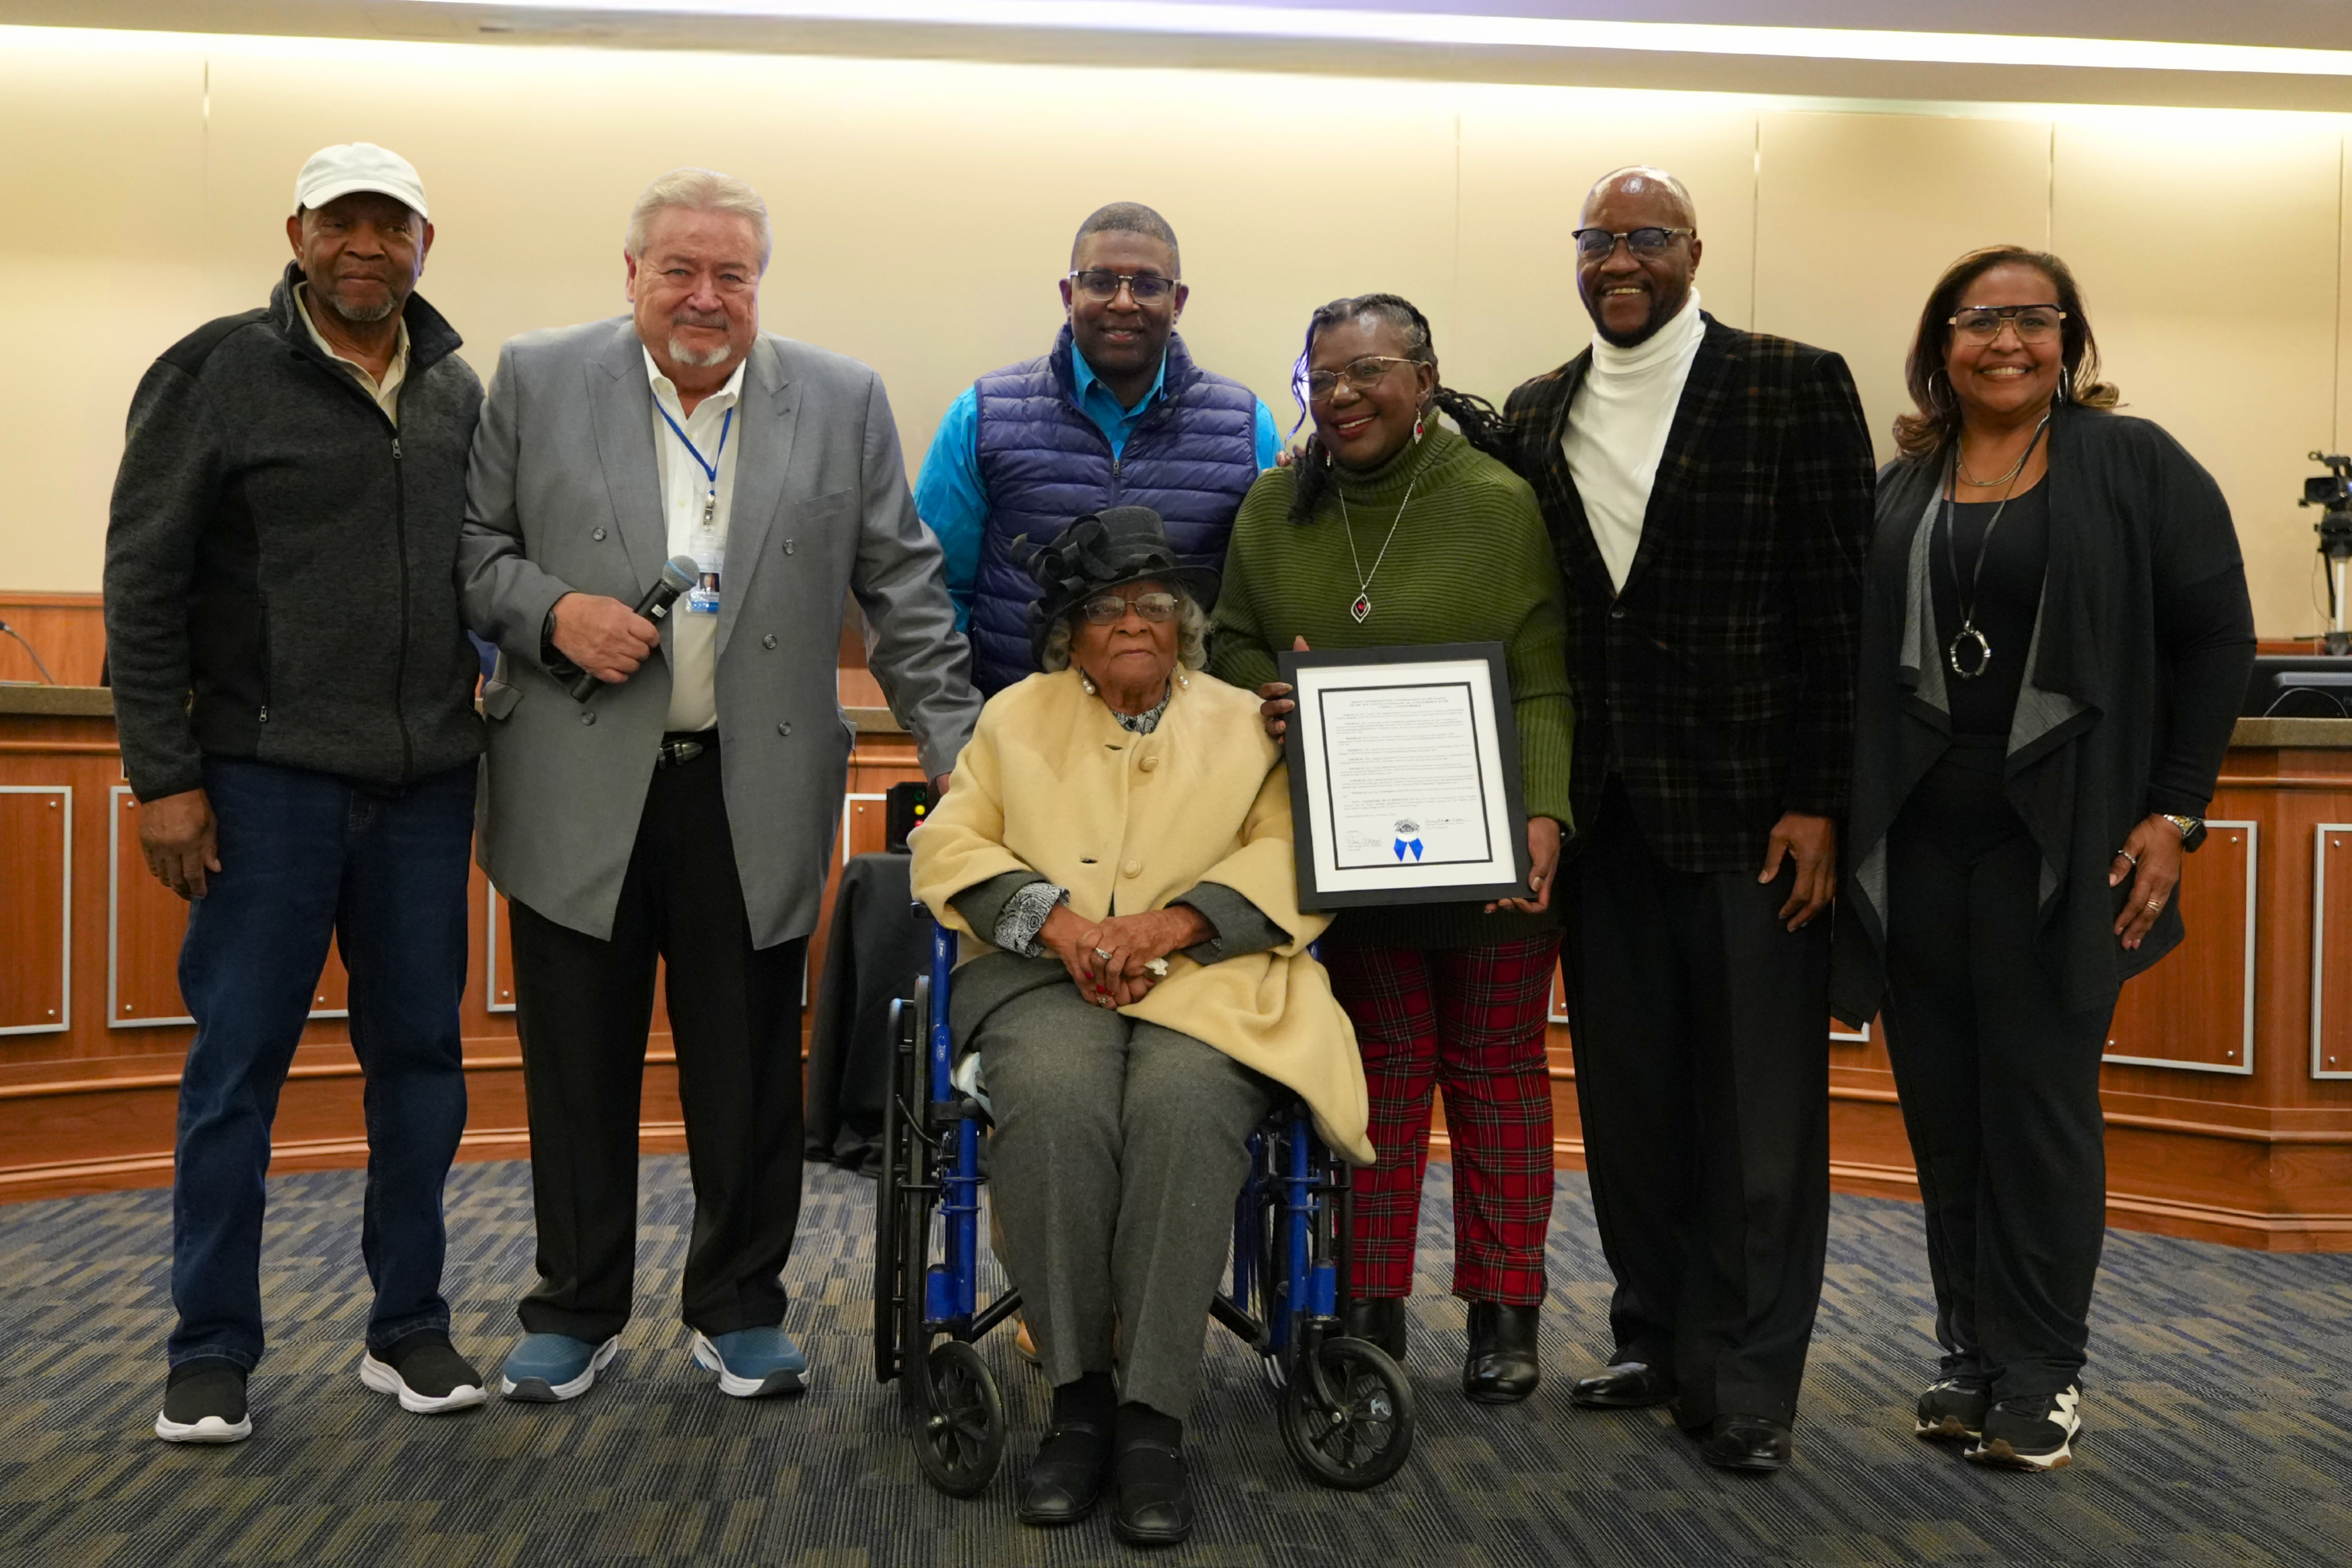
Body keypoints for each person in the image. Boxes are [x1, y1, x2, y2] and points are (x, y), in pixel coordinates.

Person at [457, 168, 979, 1405]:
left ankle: (740, 1301)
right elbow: (474, 553)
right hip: (578, 777)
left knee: (746, 1067)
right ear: (630, 273)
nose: (705, 296)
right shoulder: (536, 377)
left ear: (759, 285)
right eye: (678, 270)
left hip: (757, 787)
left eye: (730, 275)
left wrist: (963, 758)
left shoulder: (840, 400)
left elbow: (904, 590)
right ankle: (572, 1307)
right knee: (574, 1059)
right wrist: (555, 611)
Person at [1833, 247, 2255, 1472]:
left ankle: (2043, 1369)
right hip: (1918, 848)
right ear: (1940, 342)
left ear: (2067, 340)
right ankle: (1967, 1351)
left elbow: (2217, 639)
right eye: (1979, 321)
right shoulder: (1904, 480)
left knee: (2038, 1108)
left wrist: (2173, 812)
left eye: (2031, 319)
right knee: (1946, 1113)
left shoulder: (2132, 463)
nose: (2004, 341)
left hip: (2059, 847)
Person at [105, 143, 489, 1442]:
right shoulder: (212, 371)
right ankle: (209, 1344)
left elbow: (484, 570)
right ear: (299, 233)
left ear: (425, 245)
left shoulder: (456, 392)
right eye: (343, 224)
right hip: (262, 785)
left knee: (423, 1065)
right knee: (237, 1073)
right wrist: (165, 778)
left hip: (428, 787)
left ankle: (411, 1329)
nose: (367, 246)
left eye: (393, 225)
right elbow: (142, 584)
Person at [1494, 166, 1875, 1472]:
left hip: (1753, 817)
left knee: (1758, 1116)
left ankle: (1752, 1375)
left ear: (1693, 252)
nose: (1620, 260)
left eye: (1645, 239)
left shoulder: (1790, 382)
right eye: (1597, 240)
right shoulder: (1539, 411)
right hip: (1601, 822)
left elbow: (1841, 619)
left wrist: (1823, 798)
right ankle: (1658, 1335)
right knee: (1634, 1101)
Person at [912, 507, 1370, 1547]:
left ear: (1185, 626)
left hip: (1206, 979)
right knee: (1059, 1101)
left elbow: (1290, 847)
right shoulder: (1013, 718)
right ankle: (1077, 1402)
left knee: (1183, 1103)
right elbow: (948, 848)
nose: (1133, 623)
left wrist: (1176, 919)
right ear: (1065, 631)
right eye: (1106, 608)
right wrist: (1062, 925)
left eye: (1154, 606)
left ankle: (1154, 1415)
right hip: (1040, 980)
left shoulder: (1241, 724)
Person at [1211, 294, 1573, 1405]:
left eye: (1370, 370)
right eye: (1323, 377)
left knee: (1497, 1072)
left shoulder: (1496, 503)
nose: (1345, 394)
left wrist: (1544, 817)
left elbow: (1544, 674)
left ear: (1423, 376)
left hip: (1489, 848)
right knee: (1372, 1080)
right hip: (1349, 849)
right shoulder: (1274, 509)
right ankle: (1366, 1309)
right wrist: (1258, 695)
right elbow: (1226, 638)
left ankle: (1503, 1310)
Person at [912, 202, 1283, 695]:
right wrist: (956, 739)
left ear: (1179, 301)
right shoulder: (982, 416)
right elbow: (931, 597)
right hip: (1020, 748)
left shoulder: (1245, 427)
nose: (1124, 302)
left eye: (1149, 285)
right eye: (1101, 281)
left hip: (1187, 755)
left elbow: (1260, 609)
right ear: (1070, 294)